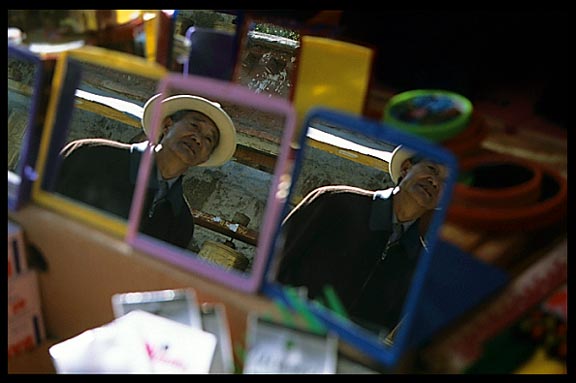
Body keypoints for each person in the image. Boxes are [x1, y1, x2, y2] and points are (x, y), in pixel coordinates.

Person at [275, 145, 448, 336]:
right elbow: (275, 260)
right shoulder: (335, 202)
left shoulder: (418, 264)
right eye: (432, 169)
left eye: (446, 182)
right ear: (406, 167)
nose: (435, 182)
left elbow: (384, 330)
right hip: (282, 329)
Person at [53, 94, 237, 249]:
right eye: (194, 126)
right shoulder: (91, 155)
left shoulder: (181, 222)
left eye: (209, 139)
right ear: (166, 125)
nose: (198, 138)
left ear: (205, 158)